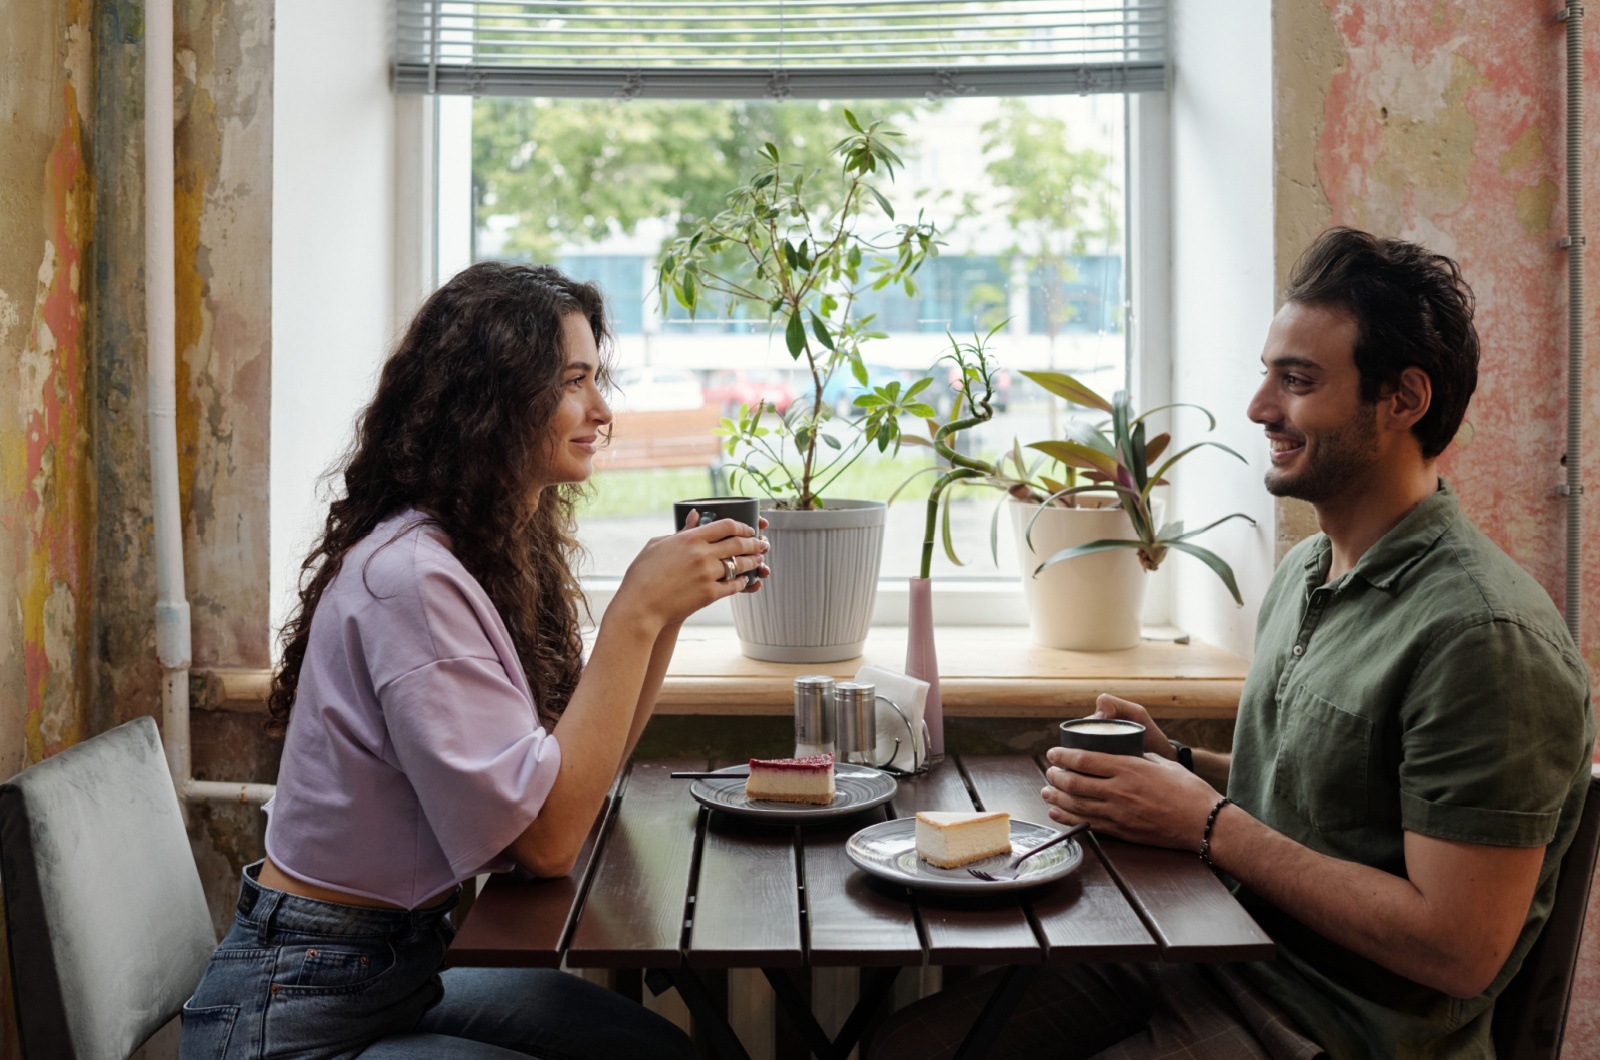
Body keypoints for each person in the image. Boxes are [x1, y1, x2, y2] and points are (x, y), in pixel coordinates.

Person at [868, 228, 1593, 1060]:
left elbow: (1460, 948)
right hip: (1214, 952)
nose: (1259, 407)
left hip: (1325, 1027)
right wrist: (1175, 764)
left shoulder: (1484, 640)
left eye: (1298, 380)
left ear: (1404, 400)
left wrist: (1206, 824)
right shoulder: (1306, 572)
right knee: (908, 1047)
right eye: (1268, 373)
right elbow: (1322, 803)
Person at [180, 261, 769, 1058]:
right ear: (493, 399)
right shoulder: (412, 583)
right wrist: (637, 610)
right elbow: (548, 843)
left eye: (599, 379)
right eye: (573, 382)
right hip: (298, 1012)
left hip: (384, 976)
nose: (601, 410)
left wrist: (664, 618)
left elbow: (570, 786)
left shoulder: (471, 552)